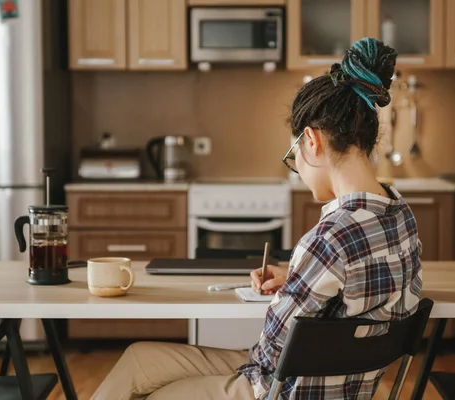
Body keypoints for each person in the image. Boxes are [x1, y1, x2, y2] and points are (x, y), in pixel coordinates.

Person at [91, 37, 422, 400]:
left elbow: (271, 356)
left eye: (293, 152)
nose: (296, 166)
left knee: (155, 393)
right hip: (317, 377)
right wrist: (299, 280)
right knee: (139, 359)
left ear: (311, 141)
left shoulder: (328, 240)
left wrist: (302, 278)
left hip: (281, 389)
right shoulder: (400, 215)